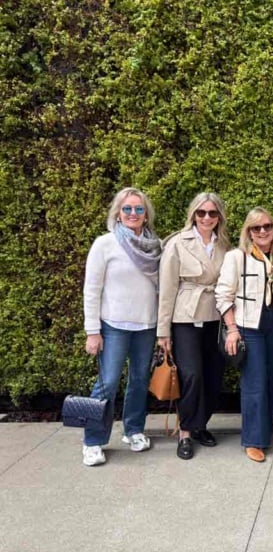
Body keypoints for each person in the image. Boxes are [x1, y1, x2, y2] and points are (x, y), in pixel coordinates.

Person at [81, 187, 162, 466]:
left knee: (139, 381)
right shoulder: (105, 244)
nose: (133, 214)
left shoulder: (155, 246)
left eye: (139, 209)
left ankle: (134, 430)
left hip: (146, 325)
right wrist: (93, 331)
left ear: (146, 214)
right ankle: (93, 441)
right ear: (118, 212)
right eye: (127, 208)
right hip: (113, 326)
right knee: (107, 383)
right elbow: (92, 289)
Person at [215, 208, 273, 463]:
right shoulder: (237, 257)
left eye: (267, 226)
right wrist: (232, 330)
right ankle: (252, 439)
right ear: (248, 231)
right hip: (249, 326)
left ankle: (265, 434)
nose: (262, 231)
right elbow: (223, 295)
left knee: (271, 382)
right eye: (256, 228)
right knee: (254, 384)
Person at [157, 193, 230, 460]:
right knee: (192, 375)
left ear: (219, 216)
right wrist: (163, 331)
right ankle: (185, 431)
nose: (207, 218)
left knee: (213, 375)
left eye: (212, 213)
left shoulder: (224, 244)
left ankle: (200, 425)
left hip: (216, 316)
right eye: (202, 213)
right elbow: (167, 288)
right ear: (193, 215)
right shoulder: (178, 243)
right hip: (185, 316)